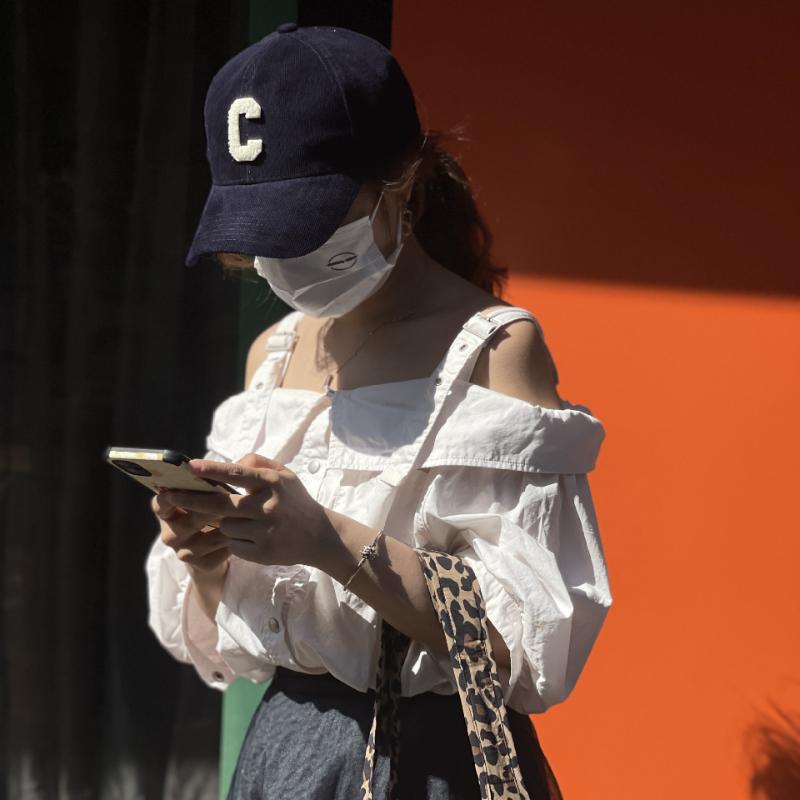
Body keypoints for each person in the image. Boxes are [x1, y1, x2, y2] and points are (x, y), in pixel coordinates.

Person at [145, 22, 612, 800]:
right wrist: (206, 551)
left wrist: (326, 540)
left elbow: (515, 650)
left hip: (426, 761)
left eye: (311, 225)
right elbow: (237, 647)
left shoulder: (494, 352)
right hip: (283, 752)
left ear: (406, 184)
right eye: (265, 234)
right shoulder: (272, 357)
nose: (285, 259)